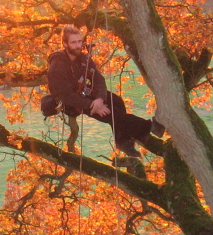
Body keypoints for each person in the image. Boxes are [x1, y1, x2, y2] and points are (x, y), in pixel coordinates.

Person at [47, 25, 164, 158]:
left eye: (79, 41)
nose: (78, 45)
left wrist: (100, 99)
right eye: (73, 42)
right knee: (112, 113)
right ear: (65, 43)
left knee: (117, 101)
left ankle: (122, 141)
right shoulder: (58, 64)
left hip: (86, 94)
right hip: (72, 103)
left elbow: (98, 79)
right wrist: (92, 105)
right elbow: (65, 95)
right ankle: (149, 127)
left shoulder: (83, 59)